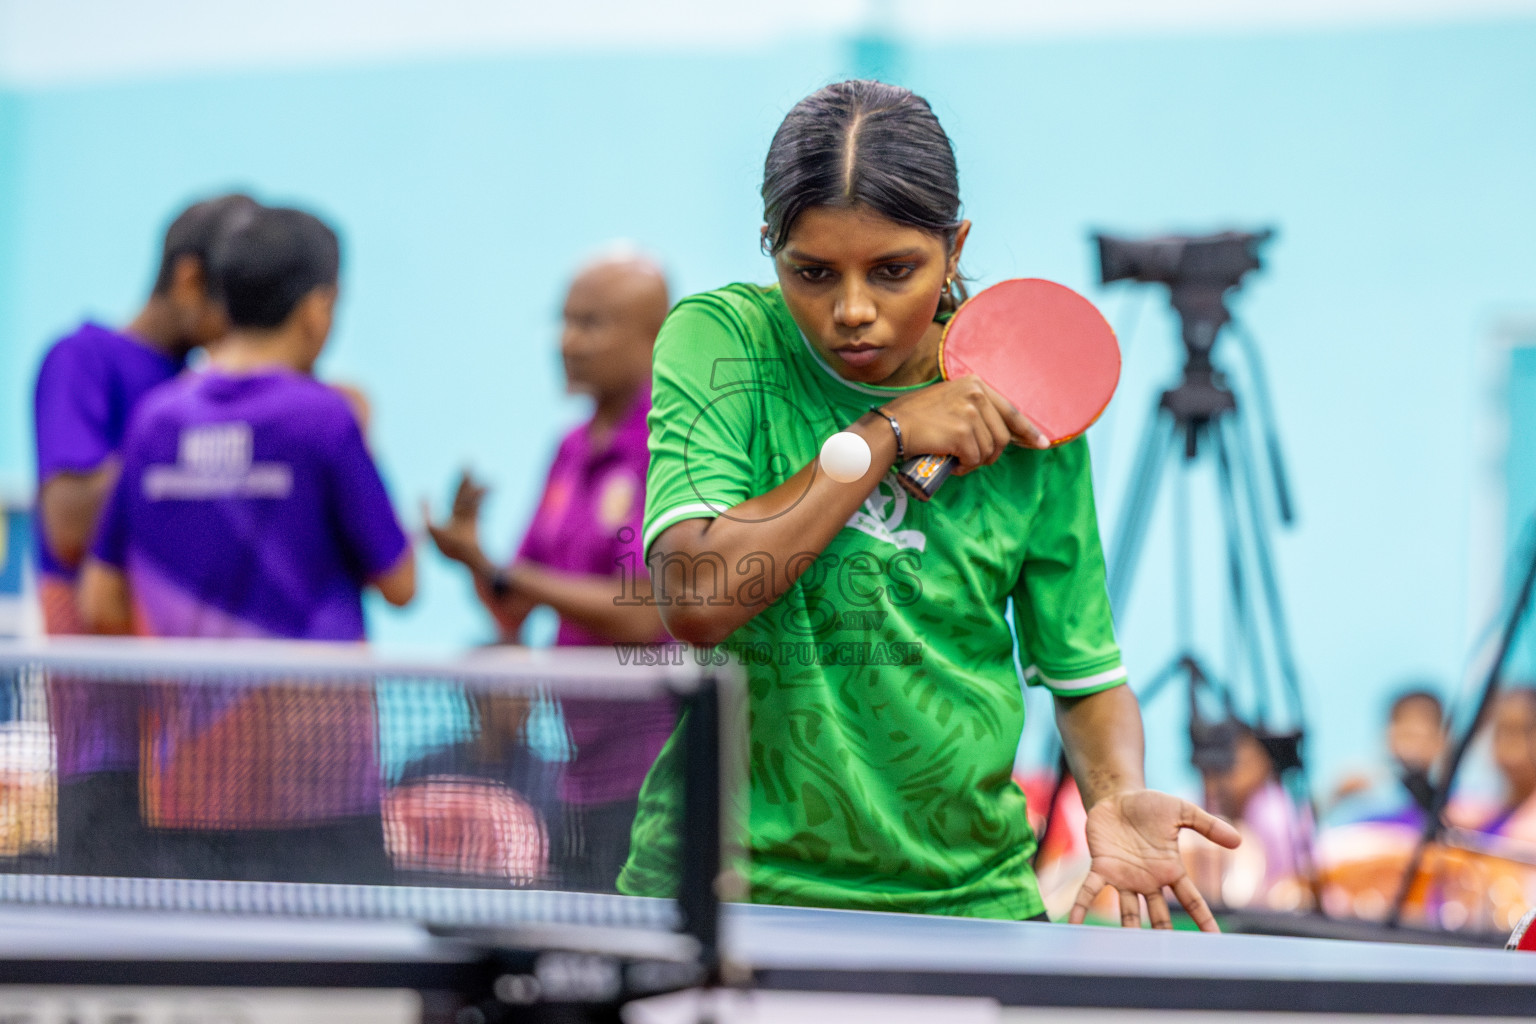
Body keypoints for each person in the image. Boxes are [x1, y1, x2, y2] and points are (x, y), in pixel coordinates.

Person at [618, 80, 1239, 927]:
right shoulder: (723, 342)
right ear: (769, 247)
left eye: (894, 270)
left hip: (964, 904)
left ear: (955, 249)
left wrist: (1118, 793)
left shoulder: (1030, 398)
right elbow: (697, 595)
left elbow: (1083, 668)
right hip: (724, 895)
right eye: (811, 272)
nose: (852, 311)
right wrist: (886, 434)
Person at [78, 205, 414, 882]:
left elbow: (99, 598)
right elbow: (401, 583)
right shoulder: (322, 416)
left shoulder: (156, 418)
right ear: (319, 309)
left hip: (187, 788)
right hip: (319, 782)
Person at [425, 249, 673, 891]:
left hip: (659, 774)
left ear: (654, 337)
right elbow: (513, 608)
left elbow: (645, 616)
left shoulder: (671, 446)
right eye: (563, 322)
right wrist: (472, 558)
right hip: (579, 766)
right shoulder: (569, 449)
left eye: (591, 324)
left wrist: (500, 569)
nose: (567, 342)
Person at [31, 194, 256, 876]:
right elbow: (68, 523)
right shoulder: (83, 359)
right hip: (103, 739)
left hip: (192, 746)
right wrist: (180, 440)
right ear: (189, 280)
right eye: (235, 301)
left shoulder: (205, 393)